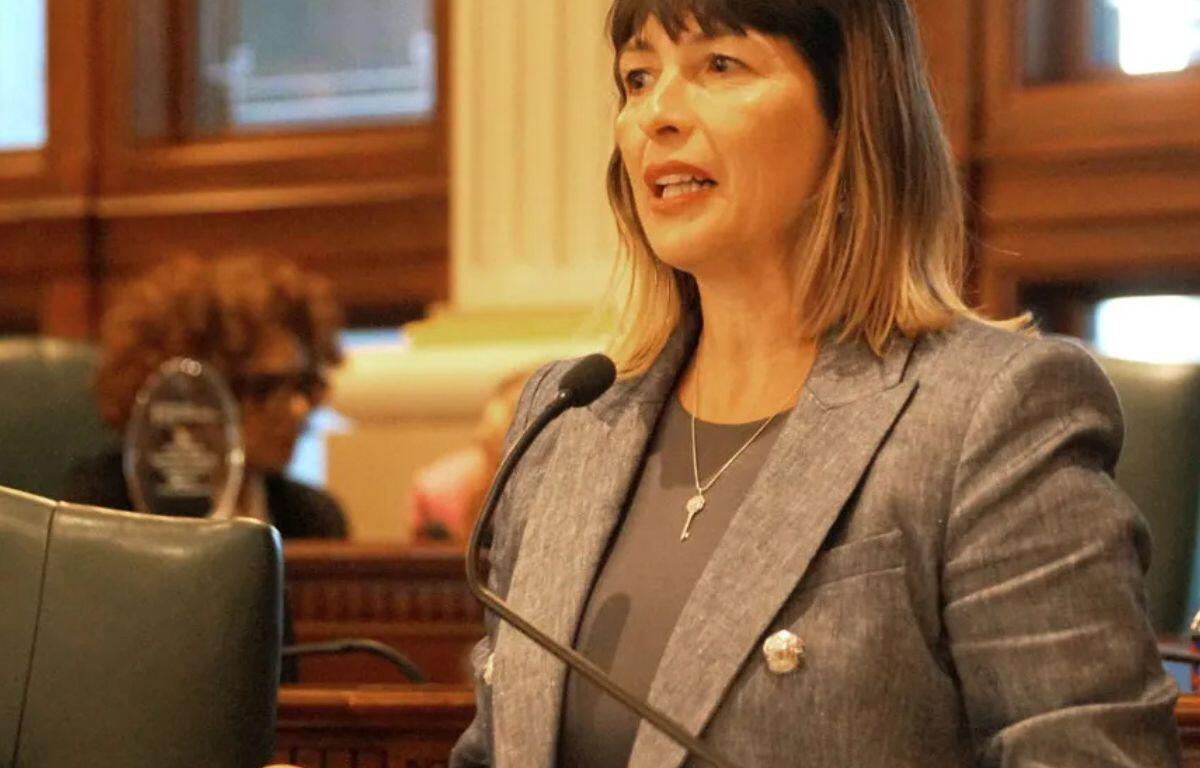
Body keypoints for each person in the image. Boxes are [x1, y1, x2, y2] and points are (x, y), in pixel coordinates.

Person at [451, 1, 1181, 766]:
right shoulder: (567, 422)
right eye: (637, 77)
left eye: (719, 66)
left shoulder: (989, 415)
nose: (656, 114)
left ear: (851, 109)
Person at [66, 253, 349, 540]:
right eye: (266, 387)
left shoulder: (314, 519)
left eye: (303, 384)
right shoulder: (98, 510)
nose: (298, 408)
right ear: (187, 393)